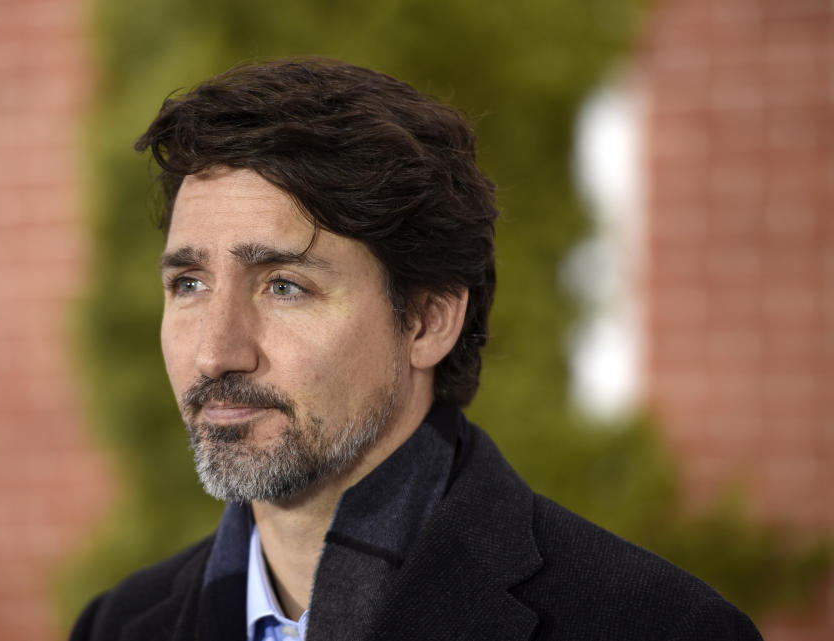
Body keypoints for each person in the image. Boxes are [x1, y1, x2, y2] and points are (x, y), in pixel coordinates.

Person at [70, 58, 762, 641]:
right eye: (189, 283)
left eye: (284, 286)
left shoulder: (652, 626)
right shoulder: (120, 625)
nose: (215, 353)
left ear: (428, 319)